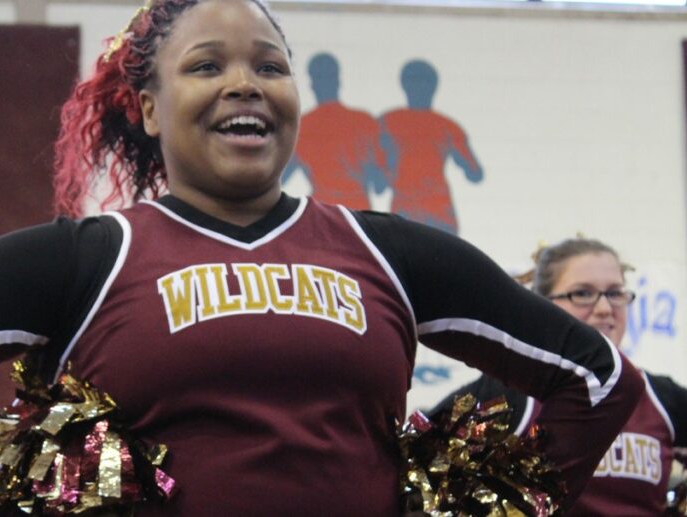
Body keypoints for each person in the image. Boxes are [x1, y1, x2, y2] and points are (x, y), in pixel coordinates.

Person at [0, 0, 644, 515]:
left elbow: (598, 379)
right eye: (207, 65)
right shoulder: (84, 258)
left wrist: (503, 510)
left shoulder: (389, 251)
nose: (246, 82)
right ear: (150, 107)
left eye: (271, 66)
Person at [430, 237, 687, 515]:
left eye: (614, 293)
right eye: (582, 294)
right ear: (543, 307)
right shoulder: (503, 396)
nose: (604, 308)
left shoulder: (662, 397)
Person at [380, 59, 482, 234]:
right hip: (416, 211)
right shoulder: (447, 126)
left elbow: (475, 173)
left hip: (429, 211)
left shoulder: (388, 121)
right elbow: (473, 173)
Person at [287, 52, 386, 209]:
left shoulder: (302, 126)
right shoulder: (364, 122)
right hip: (359, 213)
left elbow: (279, 180)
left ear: (312, 84)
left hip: (321, 214)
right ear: (338, 81)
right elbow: (380, 186)